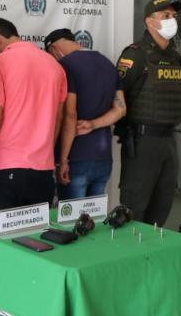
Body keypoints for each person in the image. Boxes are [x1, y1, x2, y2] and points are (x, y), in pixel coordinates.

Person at [0, 18, 66, 316]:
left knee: (6, 237)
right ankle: (31, 300)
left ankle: (6, 306)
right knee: (34, 236)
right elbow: (58, 119)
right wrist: (45, 150)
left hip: (7, 164)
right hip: (42, 166)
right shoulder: (54, 66)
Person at [115, 0, 181, 227]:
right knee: (134, 206)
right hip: (143, 140)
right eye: (165, 16)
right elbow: (119, 95)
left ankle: (152, 254)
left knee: (163, 203)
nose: (172, 21)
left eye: (173, 16)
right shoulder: (135, 55)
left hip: (169, 139)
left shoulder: (175, 57)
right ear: (150, 22)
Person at [44, 29, 126, 200]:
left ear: (54, 48)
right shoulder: (108, 63)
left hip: (76, 158)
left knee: (73, 222)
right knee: (94, 222)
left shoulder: (66, 65)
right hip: (103, 158)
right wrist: (93, 124)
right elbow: (121, 109)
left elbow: (70, 115)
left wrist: (63, 161)